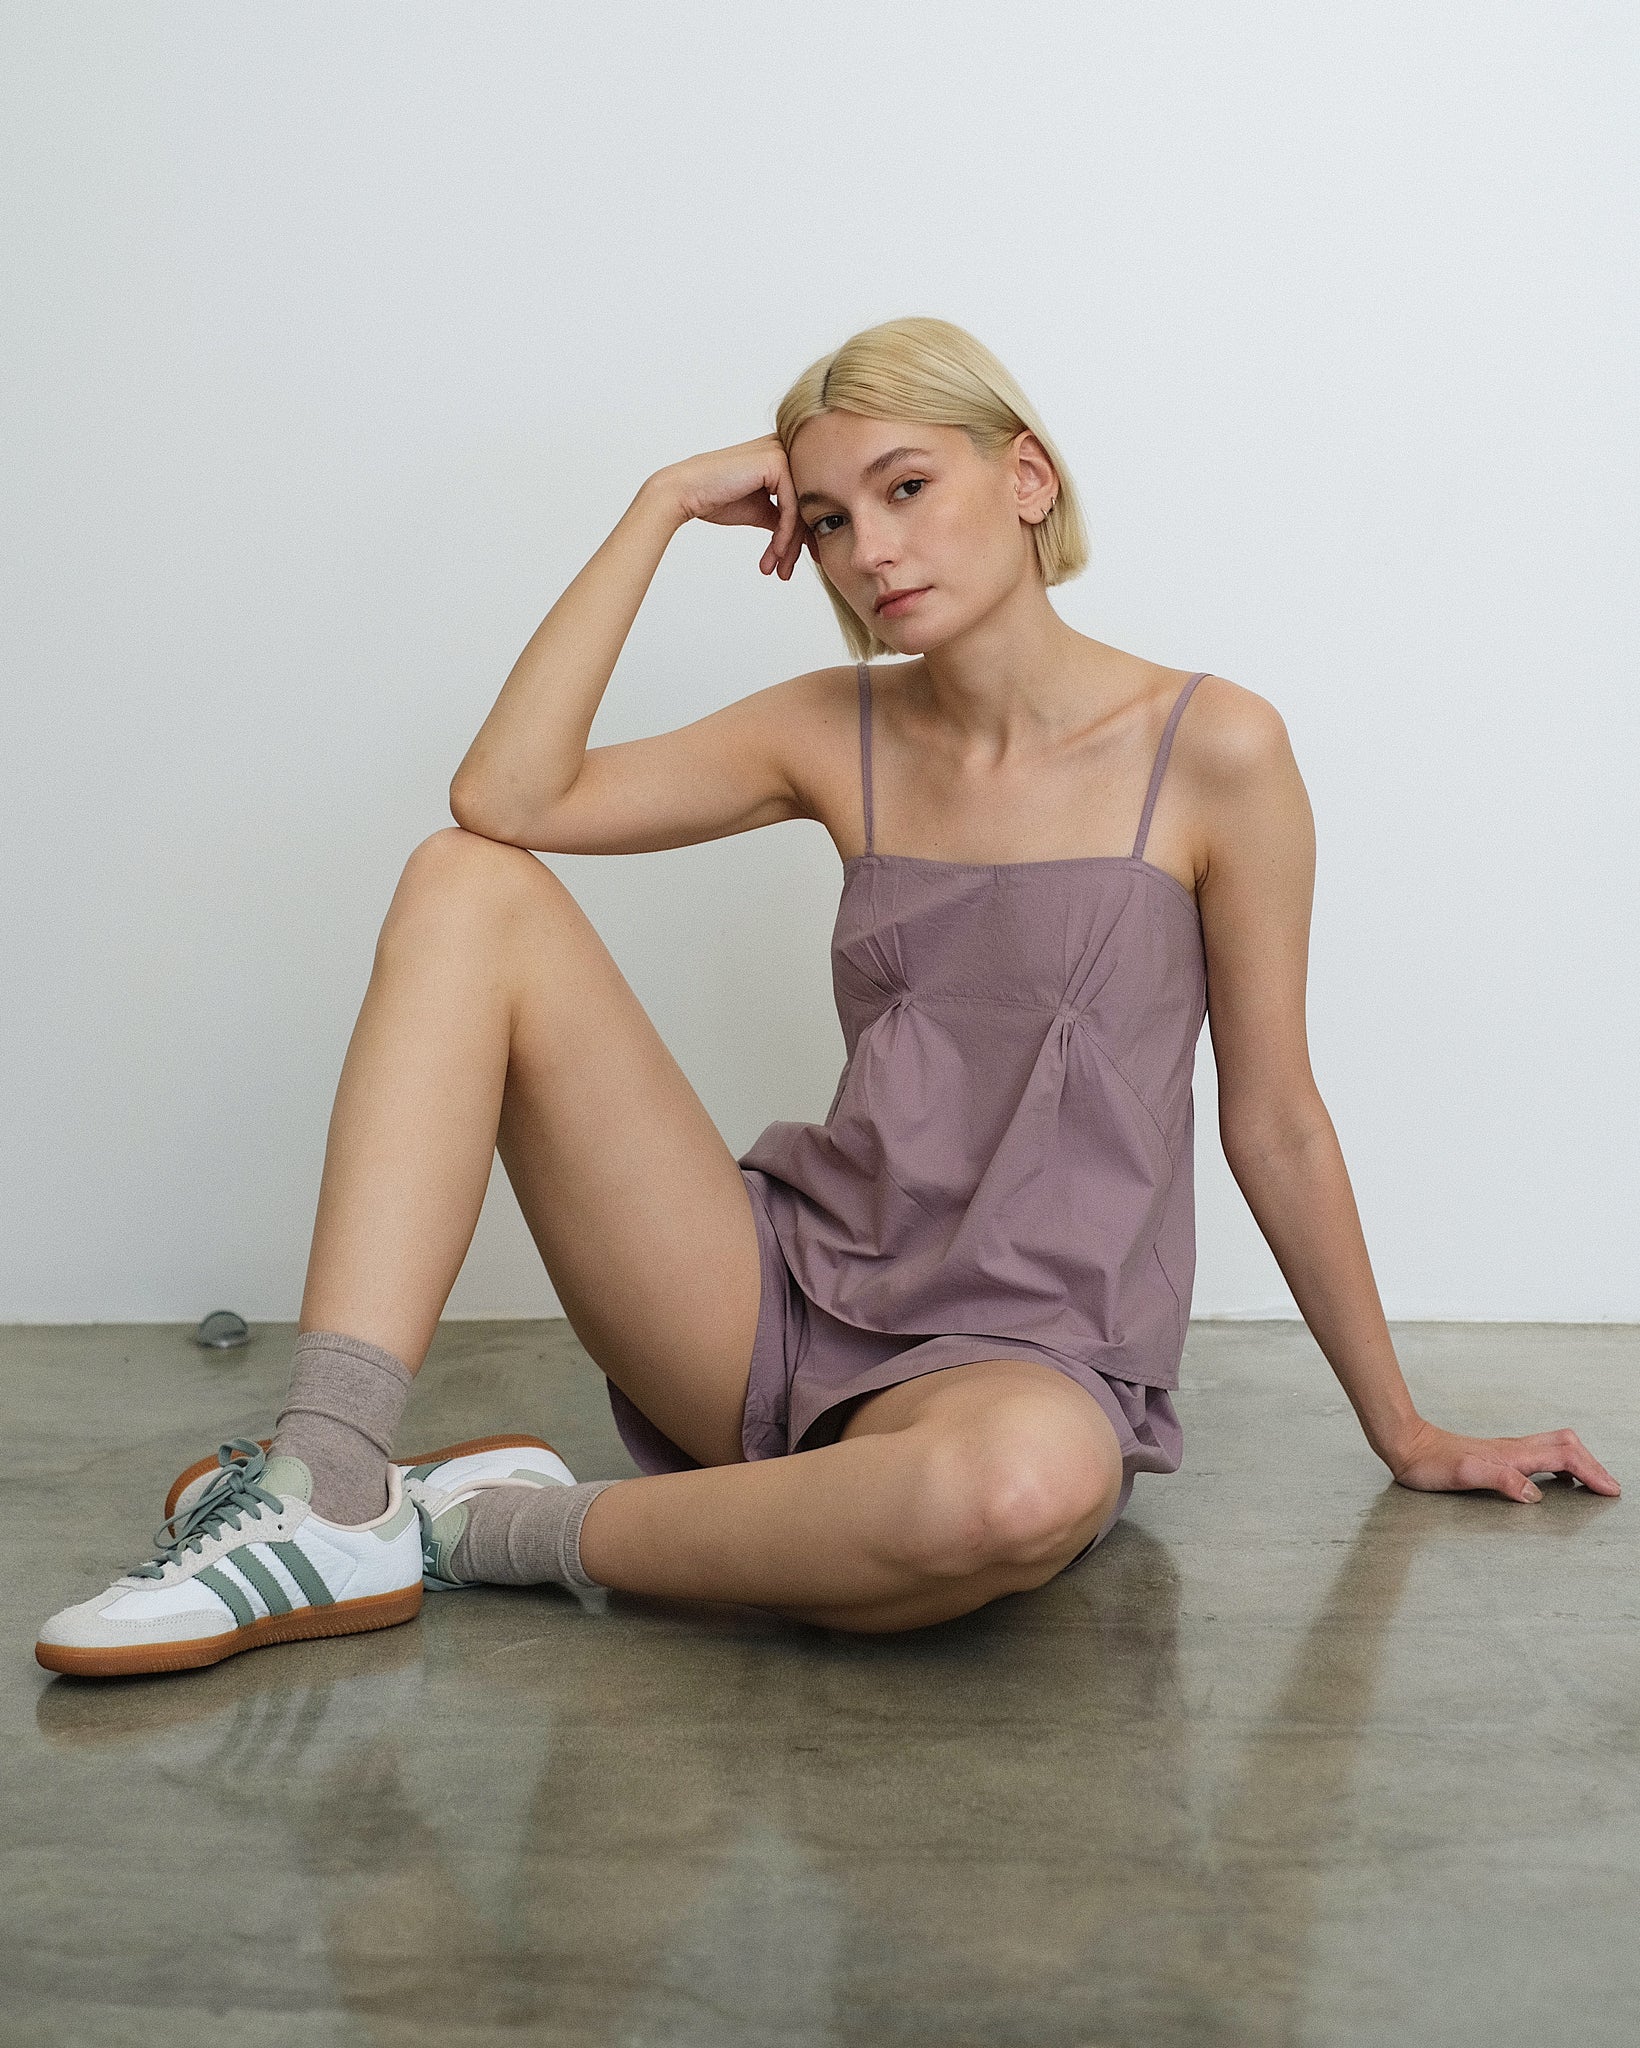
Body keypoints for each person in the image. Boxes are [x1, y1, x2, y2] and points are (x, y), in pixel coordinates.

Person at [36, 316, 1619, 1678]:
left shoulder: (1217, 753)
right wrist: (658, 507)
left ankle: (472, 1532)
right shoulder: (831, 729)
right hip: (773, 1304)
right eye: (833, 515)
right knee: (468, 886)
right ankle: (327, 1475)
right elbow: (503, 796)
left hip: (1022, 1367)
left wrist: (1404, 1429)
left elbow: (1274, 1115)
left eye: (909, 489)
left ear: (1027, 476)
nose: (873, 552)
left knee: (1007, 1502)